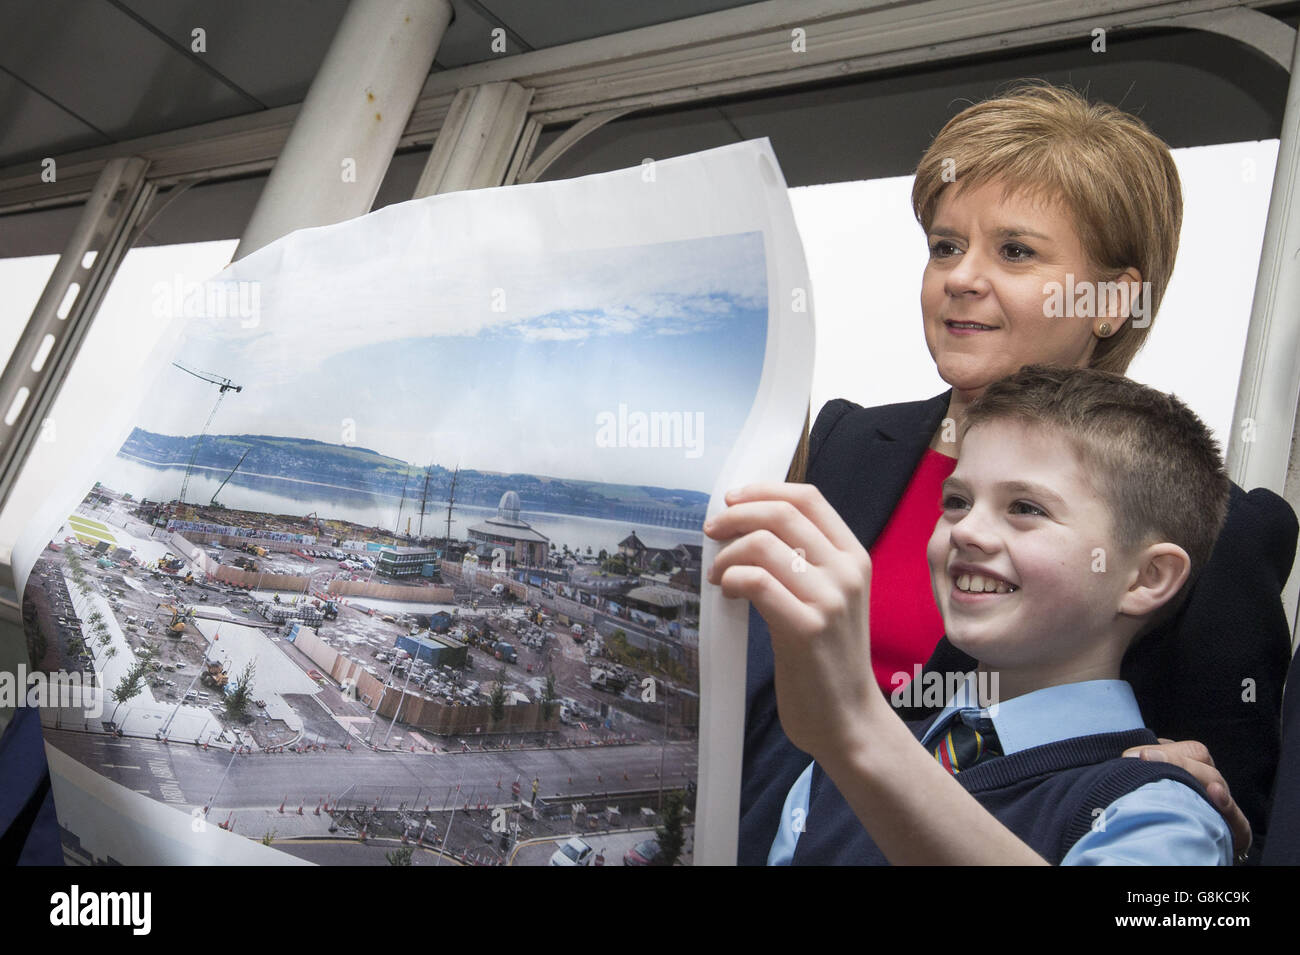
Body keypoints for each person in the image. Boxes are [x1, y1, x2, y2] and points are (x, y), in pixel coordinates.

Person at [739, 80, 1296, 864]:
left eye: (1015, 250)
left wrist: (1189, 798)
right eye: (944, 246)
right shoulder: (844, 441)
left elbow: (1227, 833)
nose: (961, 277)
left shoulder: (1207, 527)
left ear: (1112, 300)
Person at [710, 365, 1236, 863]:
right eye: (957, 501)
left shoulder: (1158, 816)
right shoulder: (828, 772)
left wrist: (859, 729)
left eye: (1026, 508)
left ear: (1148, 578)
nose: (965, 530)